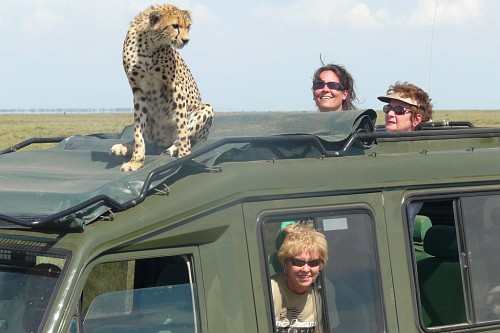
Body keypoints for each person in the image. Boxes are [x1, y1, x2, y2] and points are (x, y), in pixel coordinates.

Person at [271, 224, 331, 332]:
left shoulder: (325, 290)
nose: (306, 269)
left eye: (313, 263)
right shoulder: (270, 290)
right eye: (298, 262)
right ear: (285, 264)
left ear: (320, 265)